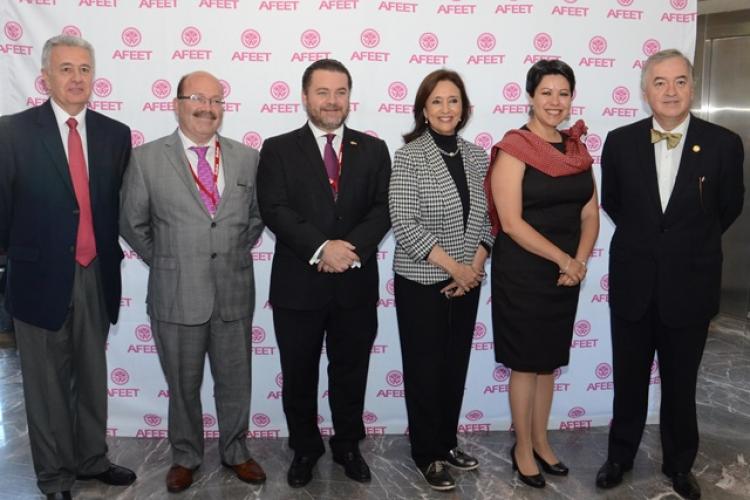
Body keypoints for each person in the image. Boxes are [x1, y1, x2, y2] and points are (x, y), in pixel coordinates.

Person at [596, 49, 744, 500]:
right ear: (645, 91)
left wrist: (684, 244)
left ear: (693, 87)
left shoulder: (723, 143)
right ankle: (619, 456)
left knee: (681, 383)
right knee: (629, 380)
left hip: (691, 284)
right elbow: (614, 204)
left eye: (680, 81)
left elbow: (728, 207)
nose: (671, 91)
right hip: (634, 283)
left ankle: (679, 465)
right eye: (660, 82)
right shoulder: (619, 141)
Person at [0, 35, 136, 500]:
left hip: (96, 272)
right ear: (45, 77)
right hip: (37, 277)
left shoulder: (115, 135)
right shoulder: (11, 132)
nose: (76, 78)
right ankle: (54, 477)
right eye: (65, 69)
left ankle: (91, 460)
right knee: (45, 386)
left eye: (84, 69)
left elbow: (115, 207)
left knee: (91, 377)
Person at [120, 71, 266, 493]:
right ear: (177, 104)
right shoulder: (146, 159)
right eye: (197, 98)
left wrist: (231, 252)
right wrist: (167, 260)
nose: (207, 107)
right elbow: (132, 222)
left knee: (236, 381)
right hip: (176, 293)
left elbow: (256, 219)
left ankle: (236, 450)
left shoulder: (246, 158)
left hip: (233, 291)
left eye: (216, 100)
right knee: (182, 385)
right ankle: (185, 455)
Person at [256, 59, 391, 488]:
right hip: (299, 285)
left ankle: (348, 445)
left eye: (340, 92)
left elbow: (382, 208)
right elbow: (274, 208)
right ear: (305, 97)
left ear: (350, 97)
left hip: (354, 282)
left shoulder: (373, 149)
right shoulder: (278, 148)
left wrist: (346, 251)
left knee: (351, 371)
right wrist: (321, 248)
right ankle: (305, 448)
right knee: (299, 374)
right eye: (323, 92)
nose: (332, 101)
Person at [487, 59, 599, 489]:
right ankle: (521, 448)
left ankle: (540, 440)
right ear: (530, 96)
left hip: (566, 273)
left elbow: (590, 213)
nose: (555, 102)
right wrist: (564, 260)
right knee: (525, 363)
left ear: (572, 98)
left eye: (563, 93)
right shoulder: (516, 146)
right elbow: (511, 222)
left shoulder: (576, 150)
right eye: (546, 92)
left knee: (549, 362)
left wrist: (580, 262)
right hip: (525, 270)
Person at [388, 69, 493, 491]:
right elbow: (404, 222)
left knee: (455, 367)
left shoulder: (478, 156)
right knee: (425, 369)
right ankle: (426, 453)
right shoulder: (409, 156)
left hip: (468, 281)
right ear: (423, 110)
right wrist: (456, 268)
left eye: (453, 101)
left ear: (464, 109)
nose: (446, 109)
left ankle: (447, 443)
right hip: (422, 281)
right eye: (437, 101)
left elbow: (490, 219)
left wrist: (476, 267)